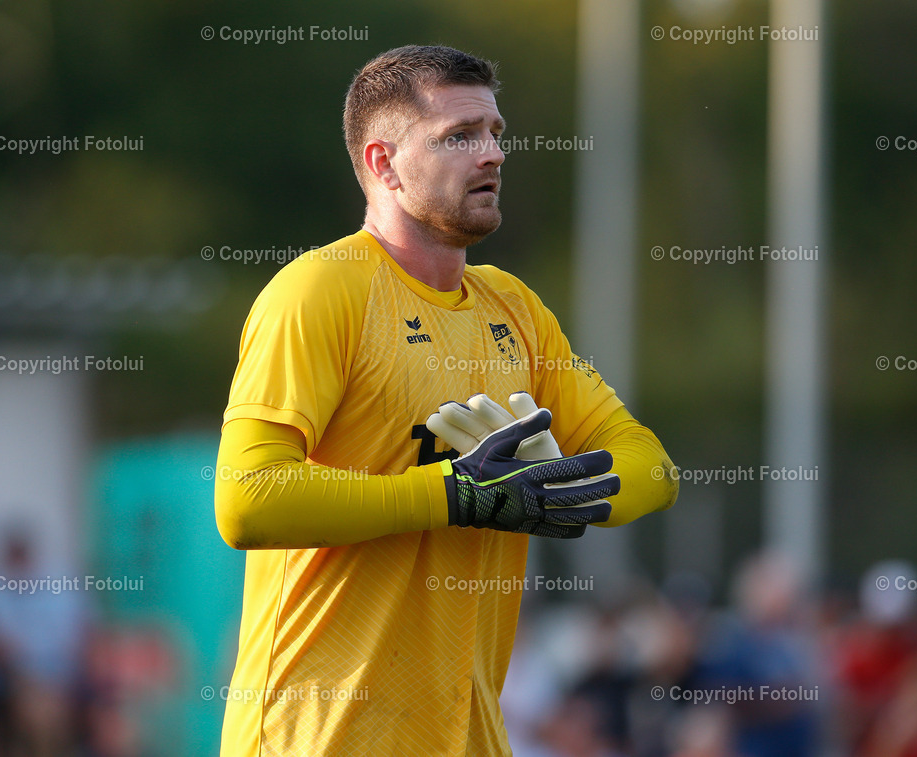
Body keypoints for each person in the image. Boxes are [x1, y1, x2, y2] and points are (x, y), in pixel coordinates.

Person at [214, 44, 678, 756]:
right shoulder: (318, 290)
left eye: (494, 132)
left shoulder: (516, 308)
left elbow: (652, 465)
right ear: (383, 164)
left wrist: (560, 495)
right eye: (458, 136)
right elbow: (248, 499)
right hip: (320, 738)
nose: (491, 153)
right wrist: (455, 495)